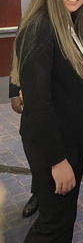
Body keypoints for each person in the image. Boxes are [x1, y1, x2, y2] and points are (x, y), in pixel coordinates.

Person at [8, 0, 83, 243]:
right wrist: (58, 160)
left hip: (72, 142)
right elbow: (39, 104)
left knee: (61, 223)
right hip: (55, 147)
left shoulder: (70, 26)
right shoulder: (40, 28)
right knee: (52, 226)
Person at [9, 81, 39, 218]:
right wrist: (14, 93)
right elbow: (16, 60)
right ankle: (38, 193)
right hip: (34, 99)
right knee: (34, 146)